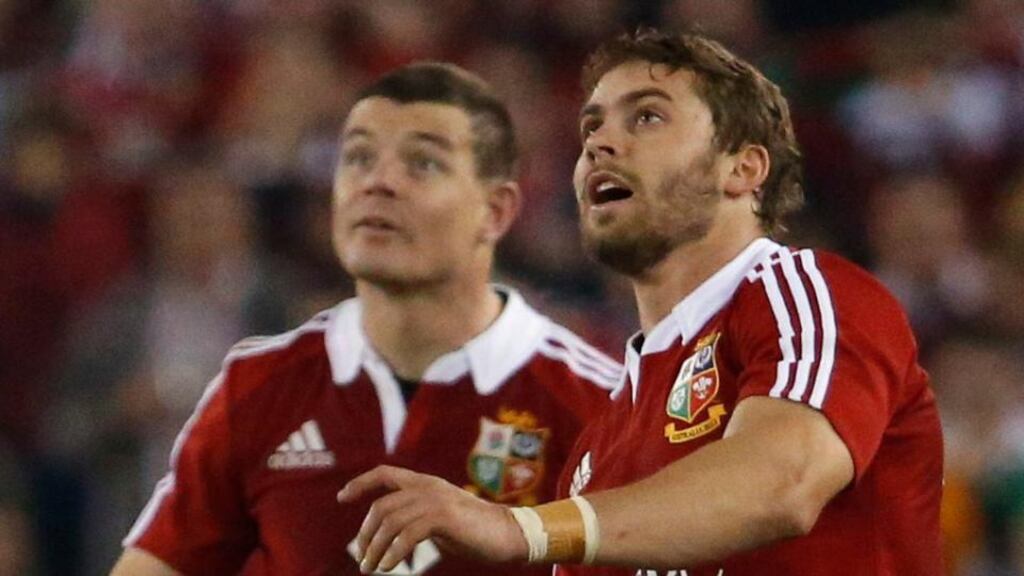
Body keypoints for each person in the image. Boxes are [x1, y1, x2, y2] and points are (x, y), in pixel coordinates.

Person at [340, 29, 944, 576]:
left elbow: (786, 481)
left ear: (742, 168)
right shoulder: (600, 445)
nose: (601, 144)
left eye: (647, 118)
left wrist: (518, 527)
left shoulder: (805, 294)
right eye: (591, 128)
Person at [110, 62, 622, 576]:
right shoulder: (258, 386)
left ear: (495, 211)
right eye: (357, 157)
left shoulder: (594, 405)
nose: (377, 182)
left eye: (422, 163)